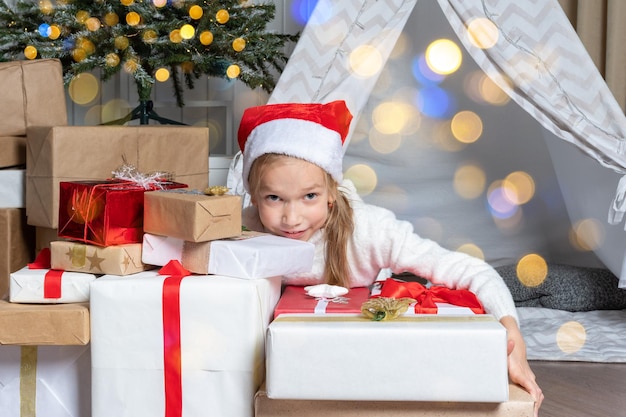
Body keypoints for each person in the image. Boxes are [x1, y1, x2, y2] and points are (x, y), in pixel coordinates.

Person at [237, 100, 543, 415]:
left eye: (309, 196)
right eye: (274, 198)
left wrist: (512, 330)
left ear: (331, 192)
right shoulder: (245, 228)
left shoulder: (369, 231)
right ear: (254, 194)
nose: (291, 218)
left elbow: (472, 271)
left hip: (361, 360)